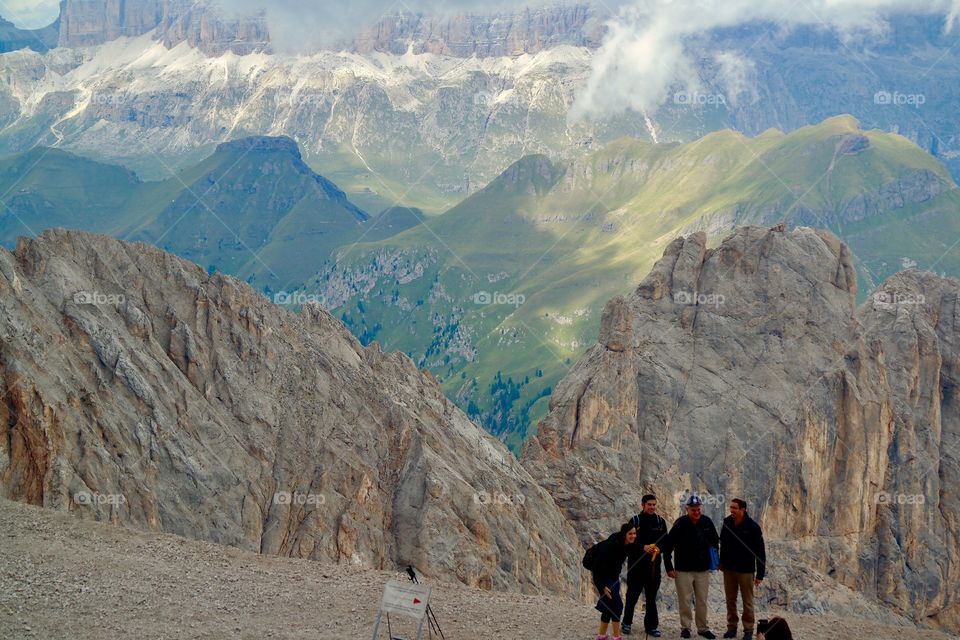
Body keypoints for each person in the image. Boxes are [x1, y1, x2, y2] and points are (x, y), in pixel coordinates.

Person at [661, 495, 720, 639]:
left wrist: (716, 560)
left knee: (702, 600)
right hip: (683, 569)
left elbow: (715, 542)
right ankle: (685, 628)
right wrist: (669, 566)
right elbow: (668, 546)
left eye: (698, 509)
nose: (696, 512)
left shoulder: (707, 522)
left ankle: (702, 628)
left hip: (702, 569)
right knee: (684, 600)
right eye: (693, 510)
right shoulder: (680, 524)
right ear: (687, 509)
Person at [622, 494, 671, 637]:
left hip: (653, 567)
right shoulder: (635, 521)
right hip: (636, 566)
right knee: (632, 595)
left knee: (651, 597)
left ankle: (651, 626)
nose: (652, 507)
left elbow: (665, 542)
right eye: (649, 504)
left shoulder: (660, 522)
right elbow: (628, 542)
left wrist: (658, 548)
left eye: (654, 505)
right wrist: (643, 547)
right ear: (642, 505)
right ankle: (626, 623)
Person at [720, 499, 766, 640]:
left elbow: (760, 552)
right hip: (729, 570)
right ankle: (732, 628)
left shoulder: (753, 527)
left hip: (746, 571)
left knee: (747, 601)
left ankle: (748, 630)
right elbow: (723, 543)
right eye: (731, 507)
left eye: (735, 508)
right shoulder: (727, 522)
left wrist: (760, 574)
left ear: (743, 509)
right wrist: (721, 561)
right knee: (730, 600)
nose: (732, 510)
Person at [591, 521, 638, 640]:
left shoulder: (627, 545)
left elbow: (637, 548)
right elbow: (597, 566)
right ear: (624, 535)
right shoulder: (611, 546)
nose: (633, 536)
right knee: (616, 606)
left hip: (613, 577)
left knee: (608, 606)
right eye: (630, 534)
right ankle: (617, 636)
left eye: (634, 533)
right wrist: (602, 585)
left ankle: (601, 636)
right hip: (603, 578)